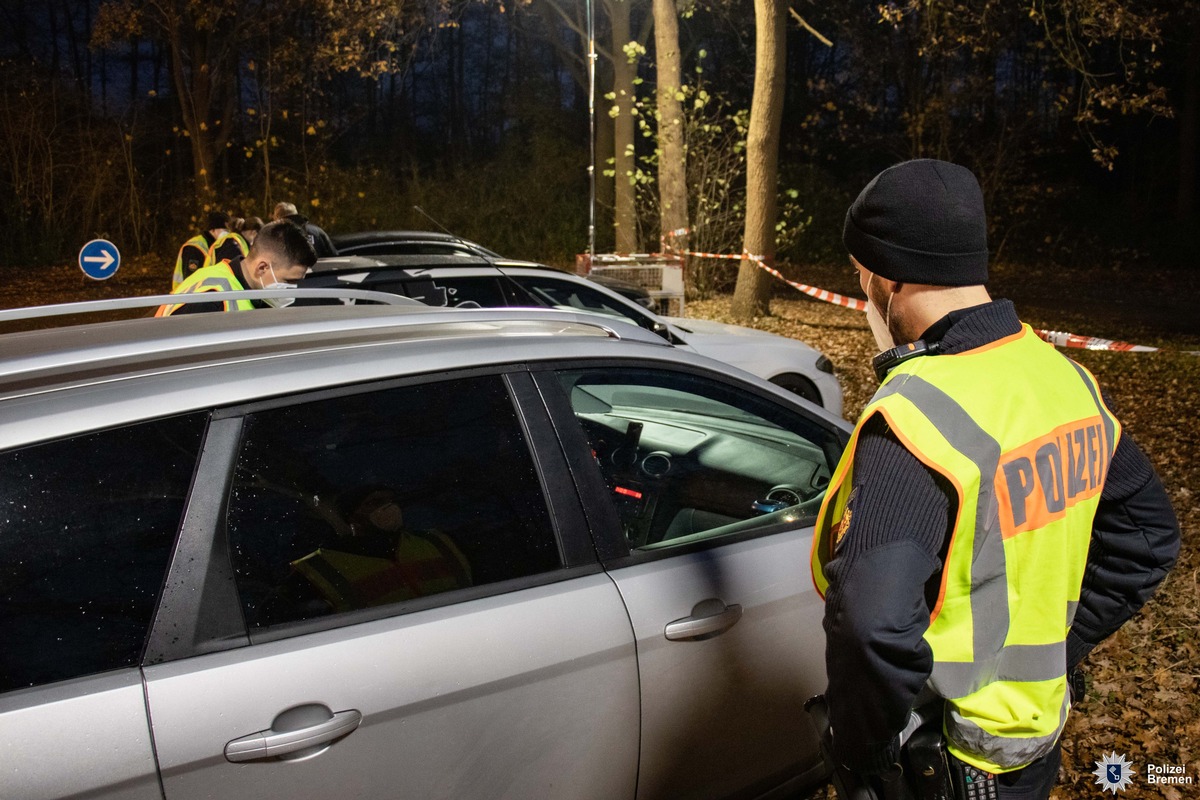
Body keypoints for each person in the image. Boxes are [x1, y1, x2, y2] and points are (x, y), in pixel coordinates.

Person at [809, 159, 1180, 799]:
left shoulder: (914, 416)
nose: (862, 290)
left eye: (860, 274)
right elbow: (1148, 539)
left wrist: (863, 758)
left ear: (886, 278)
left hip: (951, 766)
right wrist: (1054, 652)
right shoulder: (1066, 380)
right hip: (1035, 749)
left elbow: (871, 626)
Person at [290, 485, 473, 613]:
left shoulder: (437, 541)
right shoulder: (320, 568)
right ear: (352, 516)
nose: (389, 507)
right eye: (374, 502)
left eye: (391, 501)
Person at [156, 219, 316, 316]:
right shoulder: (211, 300)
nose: (291, 289)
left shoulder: (253, 289)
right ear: (262, 268)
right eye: (288, 281)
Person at [172, 211, 228, 289]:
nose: (227, 233)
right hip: (185, 298)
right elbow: (191, 282)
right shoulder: (194, 248)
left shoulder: (219, 245)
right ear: (212, 230)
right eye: (224, 230)